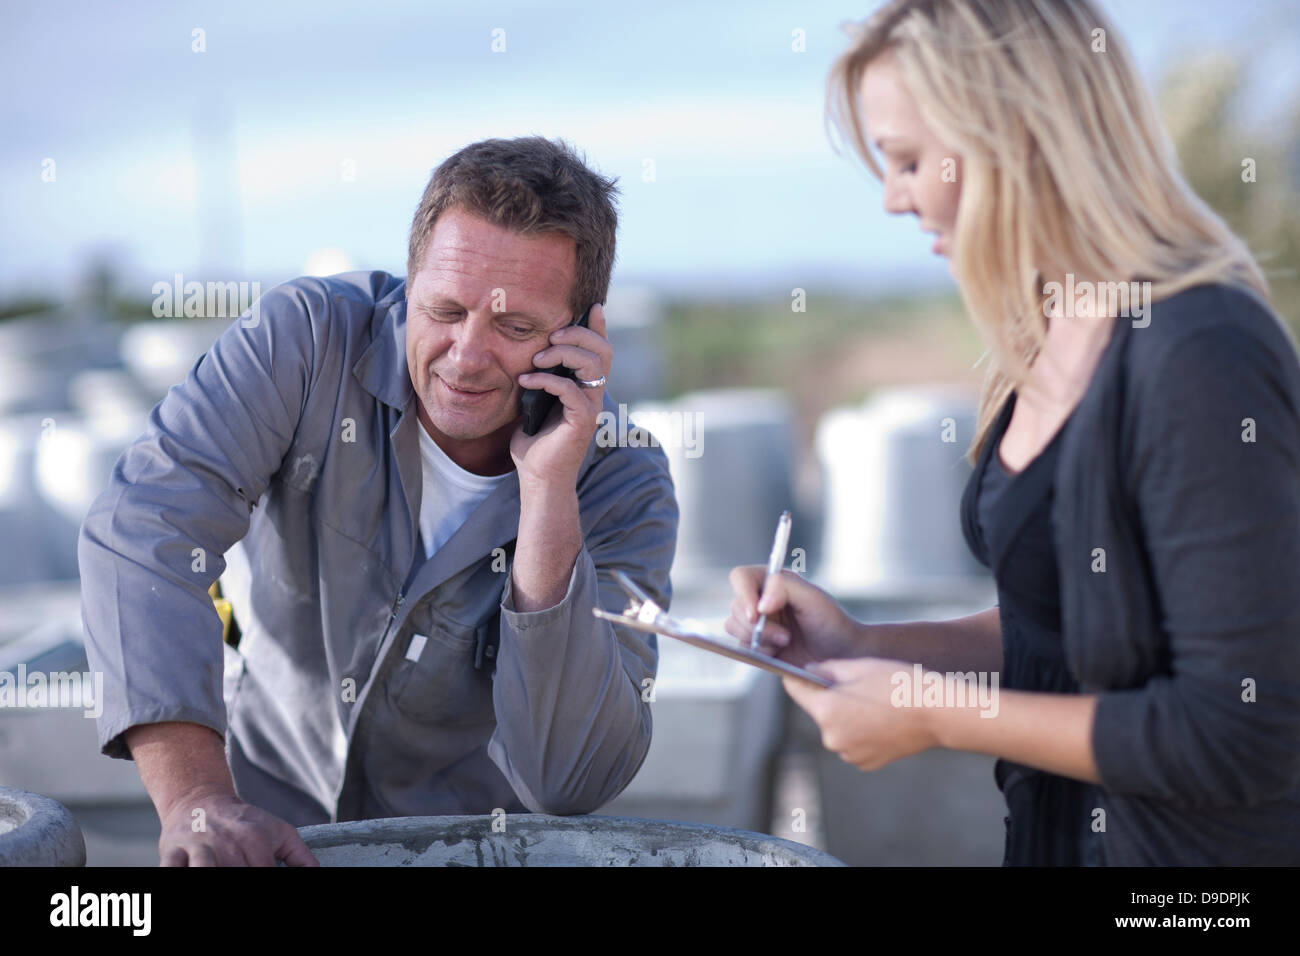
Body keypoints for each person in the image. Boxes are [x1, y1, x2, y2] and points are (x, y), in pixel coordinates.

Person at [726, 0, 1300, 866]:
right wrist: (871, 646)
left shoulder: (1198, 353)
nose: (892, 198)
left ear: (1009, 138)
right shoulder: (1043, 339)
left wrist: (931, 712)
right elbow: (1071, 627)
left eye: (909, 159)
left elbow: (1243, 728)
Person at [78, 136, 679, 866]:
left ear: (583, 332)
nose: (466, 355)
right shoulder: (303, 342)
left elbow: (569, 776)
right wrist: (199, 797)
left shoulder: (625, 480)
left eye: (515, 327)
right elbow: (145, 526)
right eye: (446, 309)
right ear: (409, 281)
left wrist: (548, 493)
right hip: (265, 838)